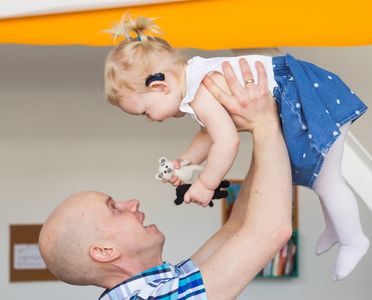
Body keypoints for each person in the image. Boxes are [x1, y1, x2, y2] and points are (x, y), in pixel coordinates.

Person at [103, 15, 369, 280]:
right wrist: (184, 161)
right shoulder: (194, 80)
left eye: (145, 112)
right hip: (301, 93)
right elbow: (207, 134)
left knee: (327, 181)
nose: (151, 120)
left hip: (306, 96)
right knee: (317, 180)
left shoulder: (201, 90)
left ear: (160, 87)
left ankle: (354, 239)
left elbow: (227, 141)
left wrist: (206, 184)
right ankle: (337, 227)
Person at [39, 60, 293, 299]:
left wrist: (259, 126)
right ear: (105, 252)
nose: (133, 203)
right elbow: (270, 231)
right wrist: (264, 124)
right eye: (114, 209)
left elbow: (237, 227)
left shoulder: (165, 284)